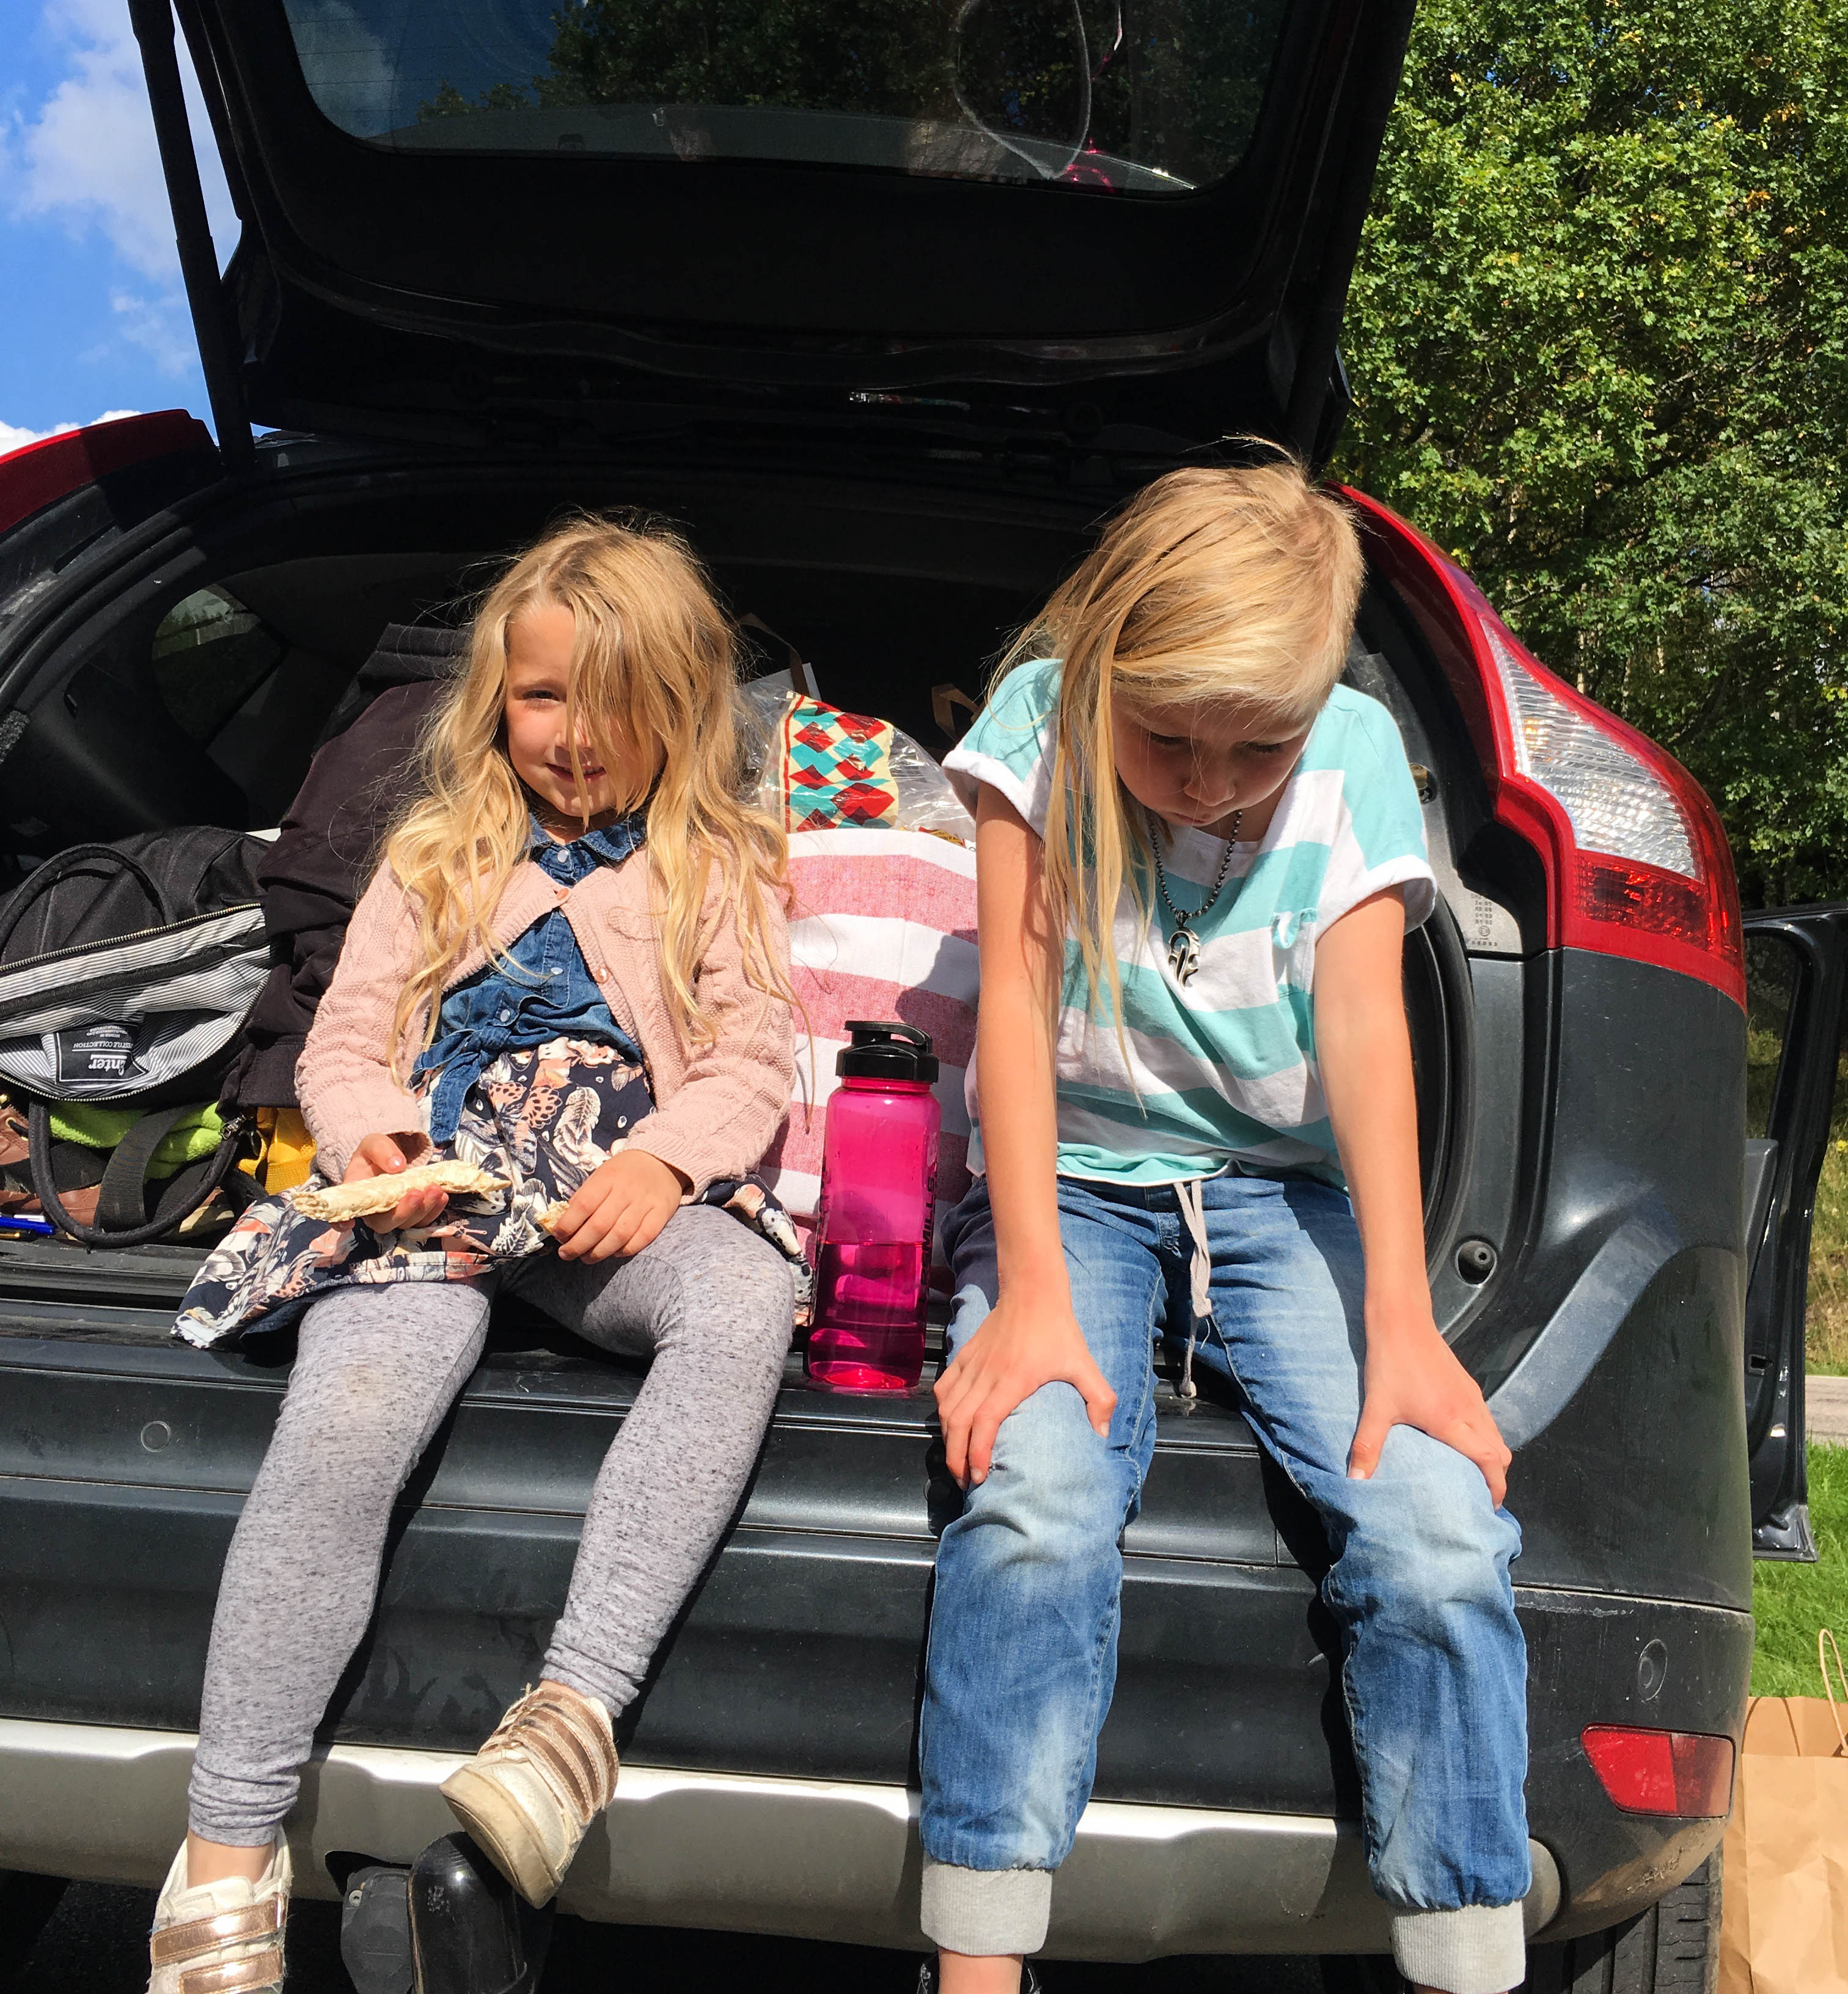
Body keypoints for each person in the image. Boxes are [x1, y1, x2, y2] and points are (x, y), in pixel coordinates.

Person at [147, 518, 802, 1994]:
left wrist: (665, 1163)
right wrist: (371, 1137)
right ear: (495, 698)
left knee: (745, 1293)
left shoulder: (718, 863)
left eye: (612, 702)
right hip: (437, 1191)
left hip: (602, 1199)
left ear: (683, 709)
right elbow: (345, 1043)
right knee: (351, 1421)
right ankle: (226, 1848)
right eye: (540, 696)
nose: (571, 736)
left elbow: (754, 1061)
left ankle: (568, 1722)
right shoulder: (438, 850)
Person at [923, 460, 1527, 1994]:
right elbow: (1011, 1003)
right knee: (1038, 1494)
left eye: (1256, 746)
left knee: (1440, 1528)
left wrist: (1405, 1327)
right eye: (1168, 737)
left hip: (1281, 1193)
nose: (1207, 782)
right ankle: (979, 1964)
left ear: (1317, 702)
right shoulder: (1044, 723)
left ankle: (1464, 1963)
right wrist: (1032, 1289)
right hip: (1075, 1189)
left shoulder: (1358, 751)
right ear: (1107, 659)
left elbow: (1369, 1037)